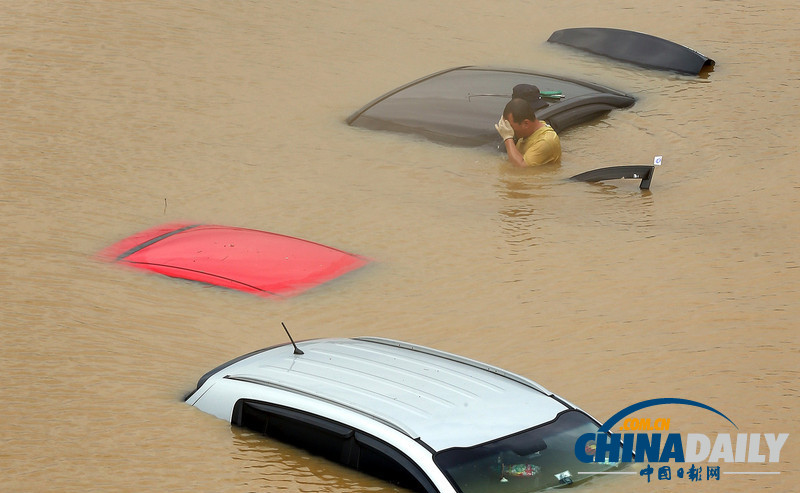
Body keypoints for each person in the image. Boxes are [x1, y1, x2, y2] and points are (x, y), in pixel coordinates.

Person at [495, 85, 561, 167]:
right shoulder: (527, 133)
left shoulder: (545, 141)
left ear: (526, 123)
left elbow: (522, 168)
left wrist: (508, 138)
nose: (510, 131)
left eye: (511, 127)